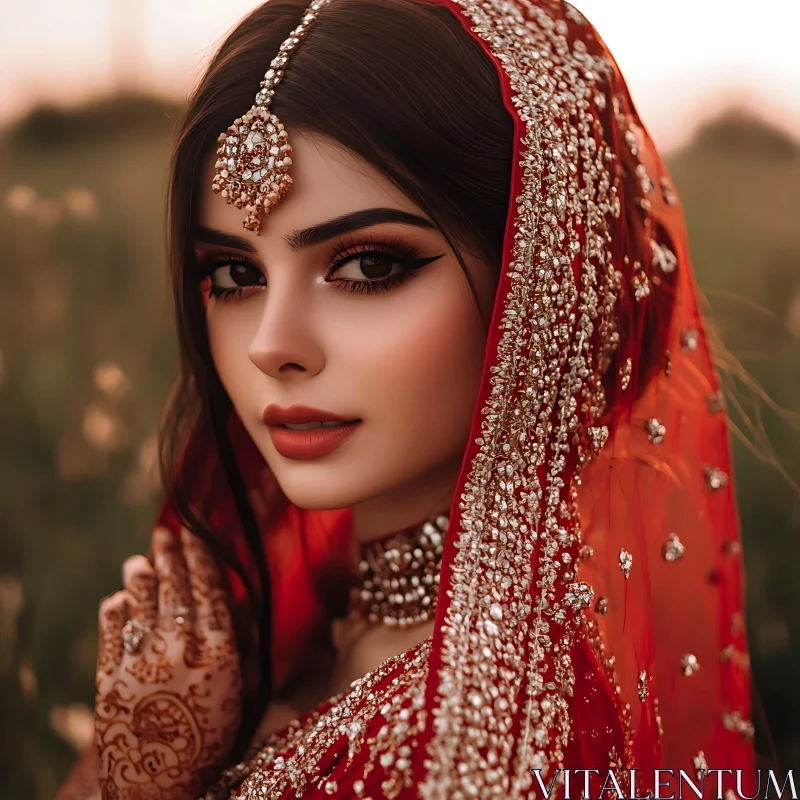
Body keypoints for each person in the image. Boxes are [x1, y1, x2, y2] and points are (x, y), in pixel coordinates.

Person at [56, 0, 768, 797]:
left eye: (366, 268)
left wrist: (146, 777)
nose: (270, 344)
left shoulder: (483, 748)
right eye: (234, 275)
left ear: (538, 282)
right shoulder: (286, 631)